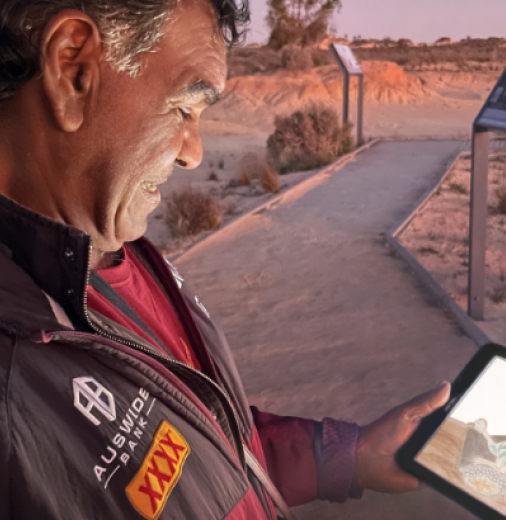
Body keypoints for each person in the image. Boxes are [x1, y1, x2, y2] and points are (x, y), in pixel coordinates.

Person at [0, 0, 451, 518]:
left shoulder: (122, 251)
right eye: (184, 109)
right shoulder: (12, 395)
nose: (194, 152)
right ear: (72, 69)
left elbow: (205, 442)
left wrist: (344, 457)